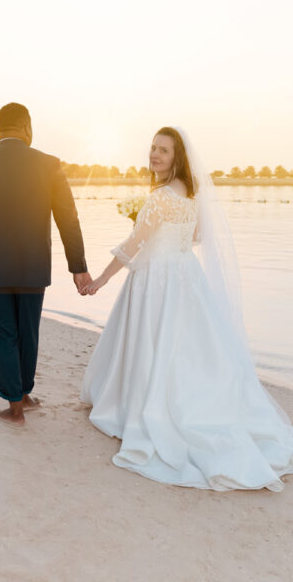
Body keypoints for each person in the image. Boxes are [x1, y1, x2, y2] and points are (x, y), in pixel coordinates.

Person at [80, 127, 293, 491]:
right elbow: (197, 238)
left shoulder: (161, 196)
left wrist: (99, 279)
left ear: (178, 158)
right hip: (184, 274)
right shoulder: (191, 196)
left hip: (157, 279)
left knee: (157, 344)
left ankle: (152, 407)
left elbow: (133, 245)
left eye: (163, 150)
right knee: (186, 349)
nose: (155, 155)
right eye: (152, 148)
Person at [0, 103, 92, 426]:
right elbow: (68, 218)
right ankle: (22, 395)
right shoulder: (49, 164)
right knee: (28, 332)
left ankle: (15, 406)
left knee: (2, 333)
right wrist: (78, 266)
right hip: (33, 266)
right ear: (27, 127)